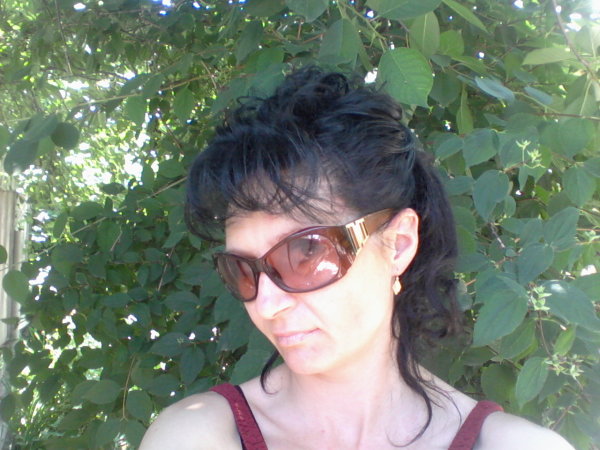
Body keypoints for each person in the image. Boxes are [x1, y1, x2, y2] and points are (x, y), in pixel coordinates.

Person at [140, 67, 573, 449]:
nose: (267, 305)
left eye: (306, 251)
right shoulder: (199, 435)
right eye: (243, 270)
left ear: (398, 244)